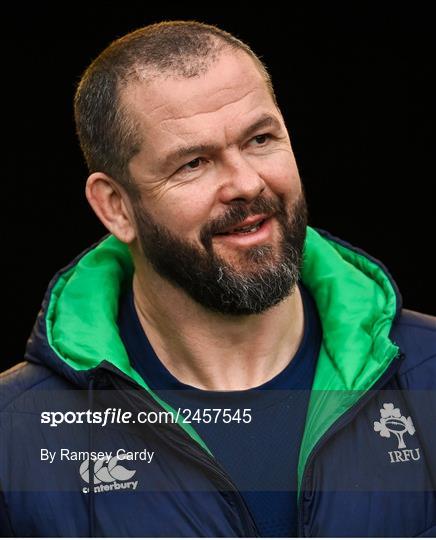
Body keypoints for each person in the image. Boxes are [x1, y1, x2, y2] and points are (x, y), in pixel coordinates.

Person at [1, 20, 435, 538]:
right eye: (193, 163)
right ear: (116, 207)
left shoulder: (428, 372)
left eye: (260, 139)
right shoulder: (15, 434)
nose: (247, 183)